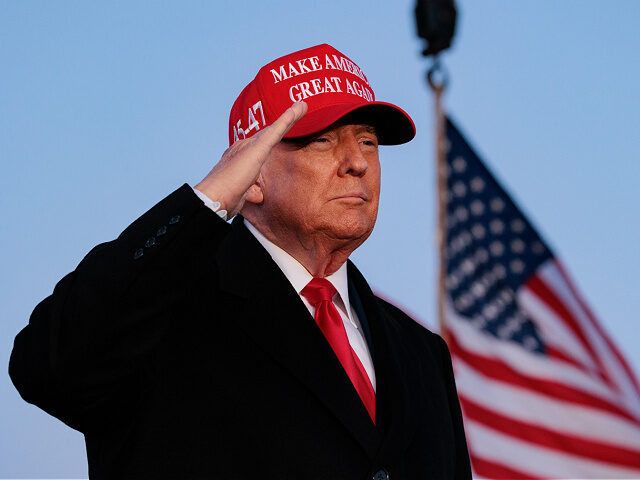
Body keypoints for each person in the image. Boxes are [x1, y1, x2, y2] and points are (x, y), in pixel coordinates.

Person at [10, 43, 471, 480]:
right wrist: (206, 202)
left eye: (368, 141)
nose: (357, 162)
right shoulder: (166, 309)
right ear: (252, 175)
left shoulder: (422, 353)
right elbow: (47, 368)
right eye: (323, 140)